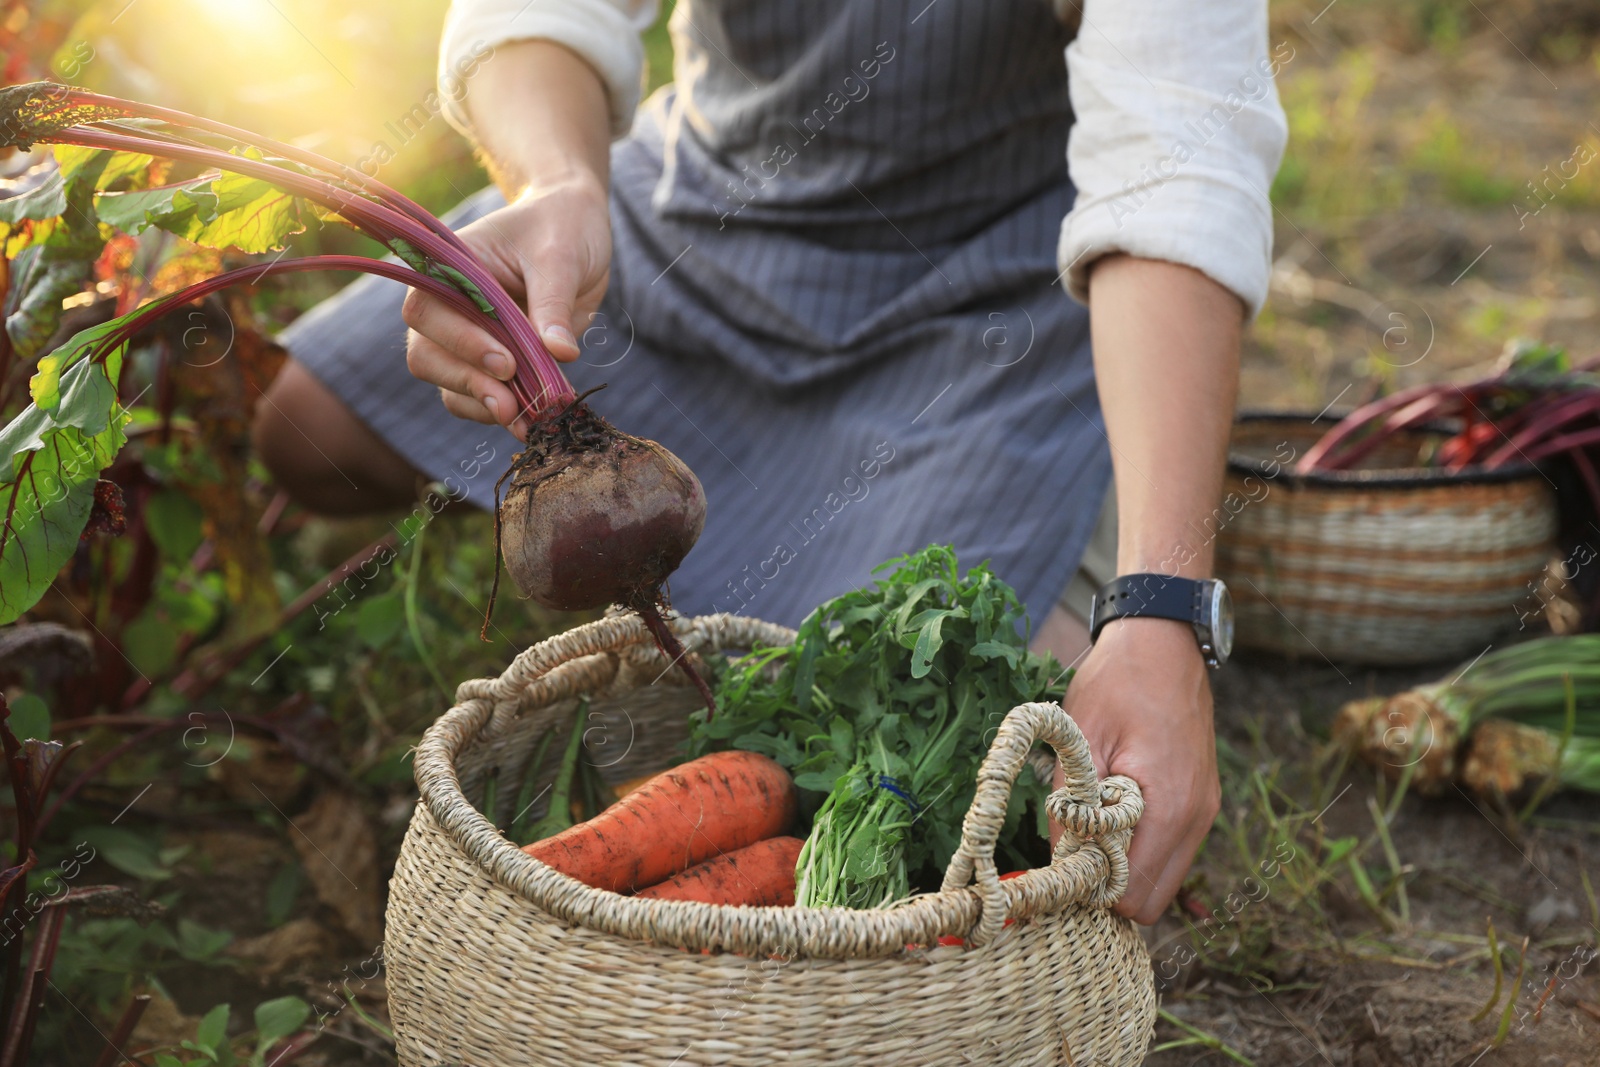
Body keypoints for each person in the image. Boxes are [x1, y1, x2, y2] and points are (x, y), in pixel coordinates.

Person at [251, 0, 1287, 924]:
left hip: (982, 312)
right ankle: (709, 545)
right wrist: (558, 183)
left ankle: (1072, 530)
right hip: (703, 225)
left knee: (927, 717)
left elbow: (1175, 167)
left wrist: (1160, 607)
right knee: (306, 432)